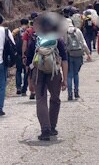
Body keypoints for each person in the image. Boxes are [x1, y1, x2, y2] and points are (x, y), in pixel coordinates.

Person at [26, 13, 69, 141]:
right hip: (54, 72)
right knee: (55, 99)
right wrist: (65, 79)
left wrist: (29, 81)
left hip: (38, 72)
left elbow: (29, 62)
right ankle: (52, 127)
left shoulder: (35, 40)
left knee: (41, 99)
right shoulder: (58, 39)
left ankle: (45, 129)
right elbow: (64, 60)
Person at [65, 22, 92, 100]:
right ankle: (76, 92)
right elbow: (83, 43)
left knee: (69, 74)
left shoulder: (64, 31)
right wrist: (88, 53)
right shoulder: (78, 31)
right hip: (78, 53)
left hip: (69, 54)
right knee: (76, 73)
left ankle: (70, 94)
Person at [22, 13, 39, 100]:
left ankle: (32, 91)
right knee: (39, 71)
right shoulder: (42, 30)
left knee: (29, 72)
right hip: (40, 53)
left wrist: (23, 56)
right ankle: (38, 90)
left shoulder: (28, 31)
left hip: (29, 54)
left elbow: (24, 44)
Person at [12, 18, 30, 96]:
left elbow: (11, 41)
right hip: (27, 54)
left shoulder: (16, 31)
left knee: (18, 71)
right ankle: (24, 89)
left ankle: (18, 87)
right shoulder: (29, 31)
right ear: (27, 23)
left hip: (18, 54)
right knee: (27, 71)